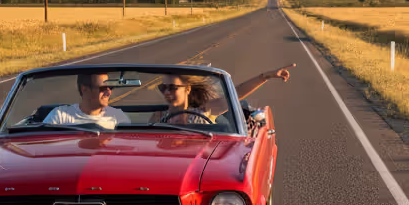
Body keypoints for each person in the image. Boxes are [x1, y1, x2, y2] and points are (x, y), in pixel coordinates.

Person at [153, 65, 295, 125]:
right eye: (162, 88)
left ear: (187, 89)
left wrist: (266, 76)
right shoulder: (159, 116)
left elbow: (236, 92)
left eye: (172, 88)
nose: (166, 92)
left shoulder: (206, 110)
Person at [45, 72, 130, 129]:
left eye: (110, 87)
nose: (109, 92)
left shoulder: (118, 117)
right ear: (85, 89)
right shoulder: (59, 117)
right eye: (103, 88)